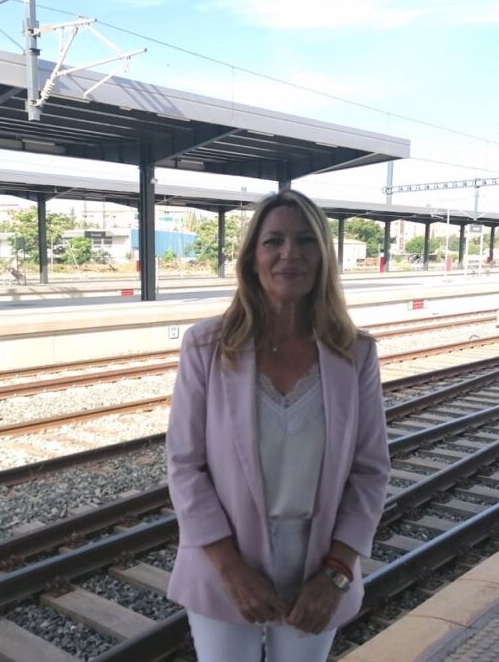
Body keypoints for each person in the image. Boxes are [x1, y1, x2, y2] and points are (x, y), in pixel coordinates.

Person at [165, 189, 391, 662]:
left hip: (320, 566)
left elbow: (370, 472)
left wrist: (336, 573)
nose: (290, 254)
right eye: (274, 241)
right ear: (252, 258)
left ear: (324, 257)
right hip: (224, 560)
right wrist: (230, 570)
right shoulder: (207, 347)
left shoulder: (355, 354)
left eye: (306, 241)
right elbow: (185, 466)